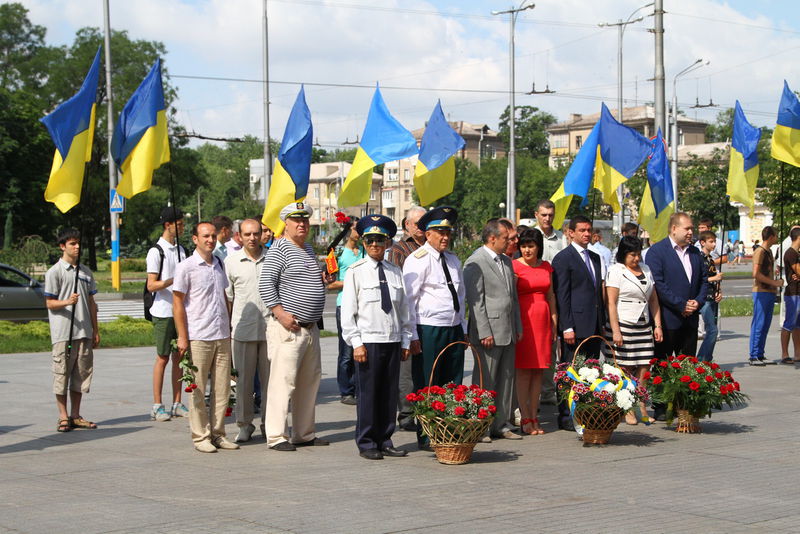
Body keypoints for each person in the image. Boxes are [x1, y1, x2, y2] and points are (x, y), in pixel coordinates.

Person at [258, 202, 334, 451]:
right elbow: (266, 284)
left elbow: (304, 281)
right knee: (283, 382)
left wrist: (323, 279)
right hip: (289, 328)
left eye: (304, 220)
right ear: (286, 224)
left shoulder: (307, 248)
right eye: (296, 220)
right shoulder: (279, 248)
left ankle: (304, 433)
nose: (302, 224)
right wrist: (280, 313)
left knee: (308, 382)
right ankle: (276, 436)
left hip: (310, 327)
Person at [341, 215, 413, 460]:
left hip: (392, 340)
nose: (375, 245)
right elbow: (348, 312)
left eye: (380, 240)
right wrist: (356, 343)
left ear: (388, 242)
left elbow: (404, 310)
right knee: (369, 394)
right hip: (369, 341)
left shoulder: (395, 272)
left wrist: (405, 340)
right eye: (370, 240)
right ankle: (368, 442)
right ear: (363, 243)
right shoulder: (356, 272)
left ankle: (386, 438)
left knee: (388, 393)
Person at [403, 206, 466, 450]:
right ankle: (428, 434)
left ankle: (450, 428)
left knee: (453, 382)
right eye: (439, 231)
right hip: (428, 329)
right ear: (427, 233)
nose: (445, 237)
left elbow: (460, 296)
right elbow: (409, 300)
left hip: (452, 328)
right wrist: (412, 335)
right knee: (429, 382)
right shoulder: (417, 260)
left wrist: (463, 326)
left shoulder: (453, 260)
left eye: (448, 231)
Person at [173, 222, 239, 453]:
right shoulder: (186, 267)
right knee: (198, 389)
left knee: (222, 389)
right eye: (205, 236)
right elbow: (178, 303)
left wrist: (230, 326)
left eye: (212, 236)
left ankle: (218, 433)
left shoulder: (219, 263)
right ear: (195, 239)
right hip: (198, 336)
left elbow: (224, 296)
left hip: (221, 334)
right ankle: (200, 435)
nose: (210, 240)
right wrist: (182, 336)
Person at [643, 212, 708, 420]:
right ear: (673, 229)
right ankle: (661, 406)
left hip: (690, 319)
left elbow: (704, 281)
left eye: (691, 228)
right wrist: (681, 305)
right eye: (687, 228)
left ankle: (683, 403)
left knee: (687, 362)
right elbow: (659, 285)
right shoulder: (657, 252)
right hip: (668, 318)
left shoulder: (696, 253)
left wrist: (697, 301)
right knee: (662, 363)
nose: (691, 232)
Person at [464, 219, 523, 441]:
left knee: (506, 380)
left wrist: (517, 325)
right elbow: (475, 301)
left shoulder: (506, 261)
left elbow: (512, 297)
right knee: (485, 381)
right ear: (492, 238)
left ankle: (501, 423)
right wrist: (484, 331)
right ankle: (481, 425)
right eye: (506, 238)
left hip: (507, 329)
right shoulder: (475, 262)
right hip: (488, 332)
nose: (510, 242)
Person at [551, 215, 604, 431]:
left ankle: (585, 408)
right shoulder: (563, 258)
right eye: (581, 230)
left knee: (590, 369)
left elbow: (596, 292)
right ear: (570, 232)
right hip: (575, 324)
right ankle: (565, 414)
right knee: (570, 369)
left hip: (593, 323)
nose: (586, 234)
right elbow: (562, 295)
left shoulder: (595, 257)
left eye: (588, 230)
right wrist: (567, 326)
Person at [44, 228, 100, 433]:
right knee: (62, 374)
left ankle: (76, 414)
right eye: (72, 244)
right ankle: (62, 416)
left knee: (81, 374)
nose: (77, 247)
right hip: (63, 332)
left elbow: (92, 303)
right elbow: (49, 303)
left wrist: (95, 329)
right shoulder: (54, 272)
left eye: (78, 243)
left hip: (84, 331)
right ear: (62, 246)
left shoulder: (85, 272)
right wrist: (67, 302)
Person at [603, 236, 662, 424]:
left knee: (645, 366)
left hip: (643, 325)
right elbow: (611, 302)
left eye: (638, 254)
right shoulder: (615, 271)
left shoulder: (646, 269)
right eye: (632, 255)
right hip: (623, 323)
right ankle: (627, 407)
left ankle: (642, 404)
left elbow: (653, 300)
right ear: (623, 254)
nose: (636, 259)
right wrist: (616, 331)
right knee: (625, 368)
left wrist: (657, 325)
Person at [225, 219, 270, 443]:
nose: (252, 238)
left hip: (271, 330)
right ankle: (244, 424)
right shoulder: (231, 262)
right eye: (247, 234)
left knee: (271, 381)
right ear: (239, 236)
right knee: (242, 382)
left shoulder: (273, 258)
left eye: (256, 233)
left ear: (262, 234)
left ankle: (270, 424)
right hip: (243, 330)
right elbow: (228, 299)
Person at [146, 206, 189, 422]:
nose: (182, 227)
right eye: (179, 224)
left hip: (180, 310)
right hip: (163, 311)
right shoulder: (157, 251)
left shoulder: (182, 250)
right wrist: (174, 280)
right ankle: (157, 404)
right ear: (167, 225)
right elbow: (151, 285)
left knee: (179, 358)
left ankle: (177, 402)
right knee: (162, 357)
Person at [513, 229, 557, 435]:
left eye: (531, 245)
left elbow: (551, 297)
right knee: (523, 372)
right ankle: (524, 418)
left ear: (538, 246)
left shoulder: (547, 266)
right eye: (523, 246)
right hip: (523, 322)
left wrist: (554, 323)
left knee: (539, 371)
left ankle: (535, 415)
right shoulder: (514, 266)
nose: (527, 250)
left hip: (543, 324)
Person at [387, 206, 427, 432]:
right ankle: (406, 413)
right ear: (407, 225)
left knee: (420, 368)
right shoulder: (400, 249)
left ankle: (421, 409)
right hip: (406, 315)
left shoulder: (428, 246)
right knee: (407, 369)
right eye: (417, 223)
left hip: (427, 317)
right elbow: (399, 283)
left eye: (424, 223)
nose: (421, 227)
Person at [326, 221, 364, 406]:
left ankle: (360, 387)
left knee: (363, 348)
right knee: (347, 350)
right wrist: (352, 280)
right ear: (349, 230)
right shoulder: (338, 253)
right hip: (345, 305)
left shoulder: (365, 251)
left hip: (364, 307)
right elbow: (330, 283)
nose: (360, 232)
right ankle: (346, 390)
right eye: (358, 228)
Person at [533, 199, 564, 406]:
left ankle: (547, 390)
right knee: (534, 345)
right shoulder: (530, 236)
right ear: (536, 215)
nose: (547, 218)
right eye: (543, 215)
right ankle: (533, 390)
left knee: (552, 345)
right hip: (534, 296)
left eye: (550, 215)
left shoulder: (561, 238)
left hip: (555, 294)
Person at [749, 226, 782, 366]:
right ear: (771, 236)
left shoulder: (768, 251)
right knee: (759, 323)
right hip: (761, 291)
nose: (777, 237)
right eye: (776, 235)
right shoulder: (760, 252)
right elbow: (755, 274)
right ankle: (754, 355)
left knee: (766, 324)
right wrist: (774, 282)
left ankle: (760, 353)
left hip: (769, 292)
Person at [697, 231, 723, 362]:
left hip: (713, 297)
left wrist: (719, 291)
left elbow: (716, 281)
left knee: (713, 330)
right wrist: (714, 278)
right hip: (704, 298)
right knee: (712, 330)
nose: (714, 244)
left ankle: (708, 359)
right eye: (711, 241)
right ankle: (701, 360)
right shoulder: (699, 258)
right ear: (703, 243)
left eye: (714, 241)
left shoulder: (711, 260)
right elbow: (699, 279)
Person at [780, 227, 800, 364]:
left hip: (798, 292)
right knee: (789, 323)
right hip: (793, 292)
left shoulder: (797, 253)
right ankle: (784, 354)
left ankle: (798, 353)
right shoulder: (791, 253)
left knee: (798, 325)